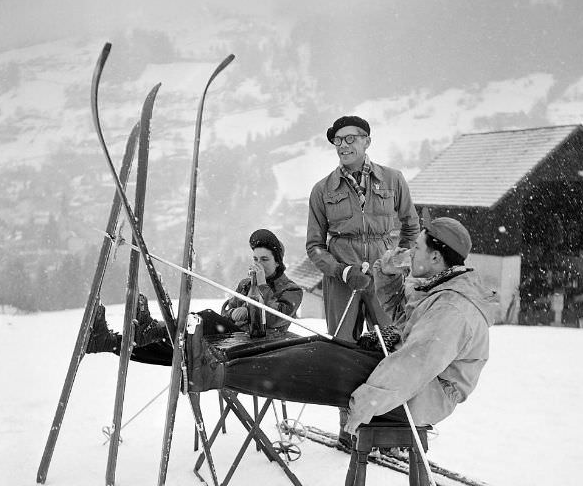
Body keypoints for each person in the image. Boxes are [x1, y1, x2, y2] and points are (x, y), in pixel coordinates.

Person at [193, 218, 497, 434]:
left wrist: (366, 403)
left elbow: (415, 365)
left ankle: (220, 372)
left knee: (325, 361)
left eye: (416, 247)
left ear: (434, 256)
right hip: (409, 381)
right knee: (319, 347)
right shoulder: (440, 287)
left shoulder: (452, 308)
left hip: (423, 394)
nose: (410, 252)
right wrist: (388, 273)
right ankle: (220, 363)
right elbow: (400, 314)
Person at [306, 115, 420, 445]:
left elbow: (411, 228)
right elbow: (314, 246)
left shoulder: (393, 180)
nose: (343, 145)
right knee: (344, 352)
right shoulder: (322, 190)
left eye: (350, 138)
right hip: (343, 279)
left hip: (385, 280)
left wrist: (398, 261)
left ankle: (393, 428)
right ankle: (349, 431)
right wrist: (343, 271)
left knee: (393, 348)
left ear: (367, 141)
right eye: (337, 140)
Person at [86, 229, 303, 365]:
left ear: (278, 261)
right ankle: (110, 342)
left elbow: (275, 319)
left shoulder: (291, 290)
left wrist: (259, 292)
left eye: (264, 259)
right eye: (255, 258)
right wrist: (235, 312)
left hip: (256, 349)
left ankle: (150, 330)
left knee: (202, 320)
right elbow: (227, 309)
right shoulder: (246, 283)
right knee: (172, 346)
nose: (259, 264)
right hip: (230, 340)